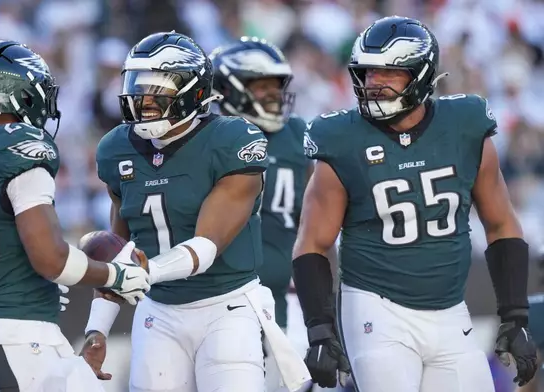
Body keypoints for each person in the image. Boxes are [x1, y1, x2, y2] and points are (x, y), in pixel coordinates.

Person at [293, 16, 537, 391]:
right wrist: (321, 330)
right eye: (368, 74)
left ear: (420, 76)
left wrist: (515, 315)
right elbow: (313, 242)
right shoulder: (340, 138)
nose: (374, 84)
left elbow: (502, 224)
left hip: (451, 309)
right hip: (377, 306)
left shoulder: (464, 125)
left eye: (388, 75)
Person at [0, 40, 150, 392]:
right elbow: (51, 258)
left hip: (0, 338)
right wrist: (114, 275)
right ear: (21, 93)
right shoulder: (21, 147)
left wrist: (5, 282)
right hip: (17, 341)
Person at [81, 31, 309, 392]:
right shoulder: (116, 148)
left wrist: (147, 271)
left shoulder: (233, 139)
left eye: (158, 86)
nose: (144, 98)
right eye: (138, 84)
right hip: (159, 311)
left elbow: (207, 246)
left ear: (194, 91)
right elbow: (119, 251)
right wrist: (97, 328)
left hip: (227, 307)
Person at [209, 36, 313, 391]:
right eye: (261, 85)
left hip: (286, 296)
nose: (273, 94)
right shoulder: (208, 138)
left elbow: (317, 218)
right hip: (222, 297)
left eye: (276, 86)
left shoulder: (298, 135)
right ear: (228, 89)